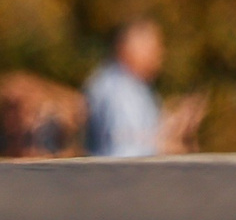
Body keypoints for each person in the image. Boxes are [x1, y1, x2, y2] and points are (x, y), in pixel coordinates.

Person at [83, 20, 204, 158]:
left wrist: (170, 126)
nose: (160, 54)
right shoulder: (120, 90)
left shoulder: (133, 86)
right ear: (128, 48)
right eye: (153, 48)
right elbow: (128, 153)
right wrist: (169, 143)